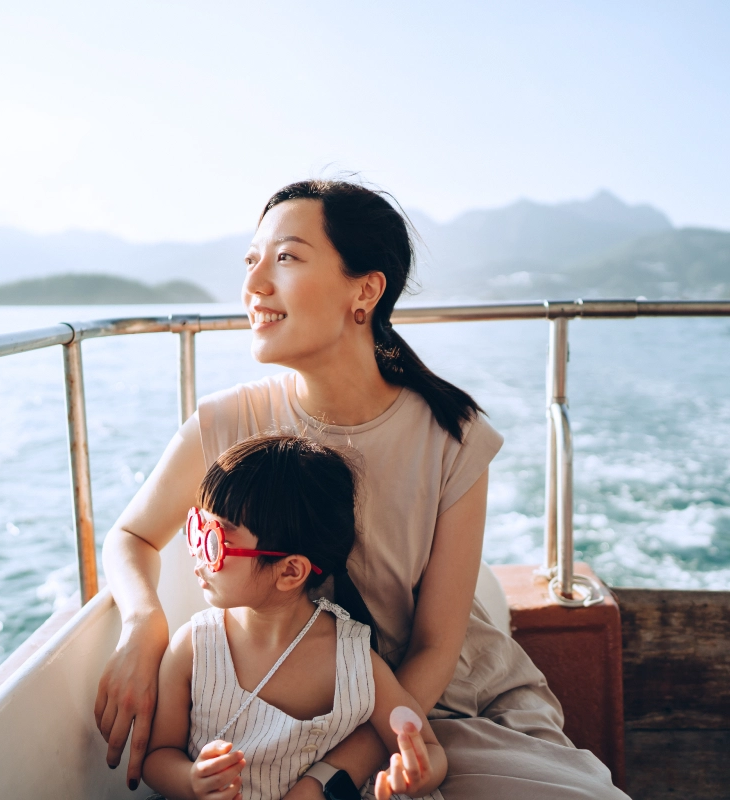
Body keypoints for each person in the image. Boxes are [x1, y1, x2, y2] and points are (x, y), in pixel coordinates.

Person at [96, 179, 629, 799]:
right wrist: (143, 627)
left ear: (365, 290)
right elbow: (131, 536)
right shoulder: (226, 424)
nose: (254, 285)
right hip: (286, 722)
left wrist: (332, 775)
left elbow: (435, 647)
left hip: (435, 710)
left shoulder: (452, 437)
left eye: (286, 257)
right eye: (252, 260)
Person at [142, 435, 447, 800]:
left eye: (215, 542)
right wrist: (191, 780)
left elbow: (429, 749)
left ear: (290, 572)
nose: (198, 556)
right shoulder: (193, 647)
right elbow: (158, 757)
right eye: (196, 529)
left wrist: (414, 775)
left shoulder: (352, 661)